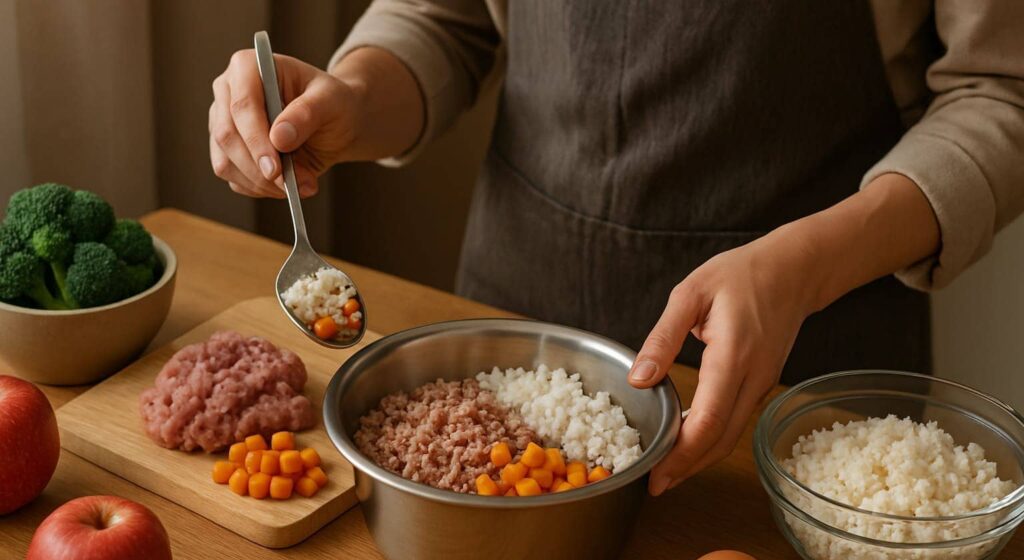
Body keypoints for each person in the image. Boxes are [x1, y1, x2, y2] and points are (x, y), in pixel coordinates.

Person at [209, 2, 1024, 495]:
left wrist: (805, 265)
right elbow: (442, 15)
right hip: (516, 303)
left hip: (803, 361)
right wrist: (349, 99)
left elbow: (1002, 90)